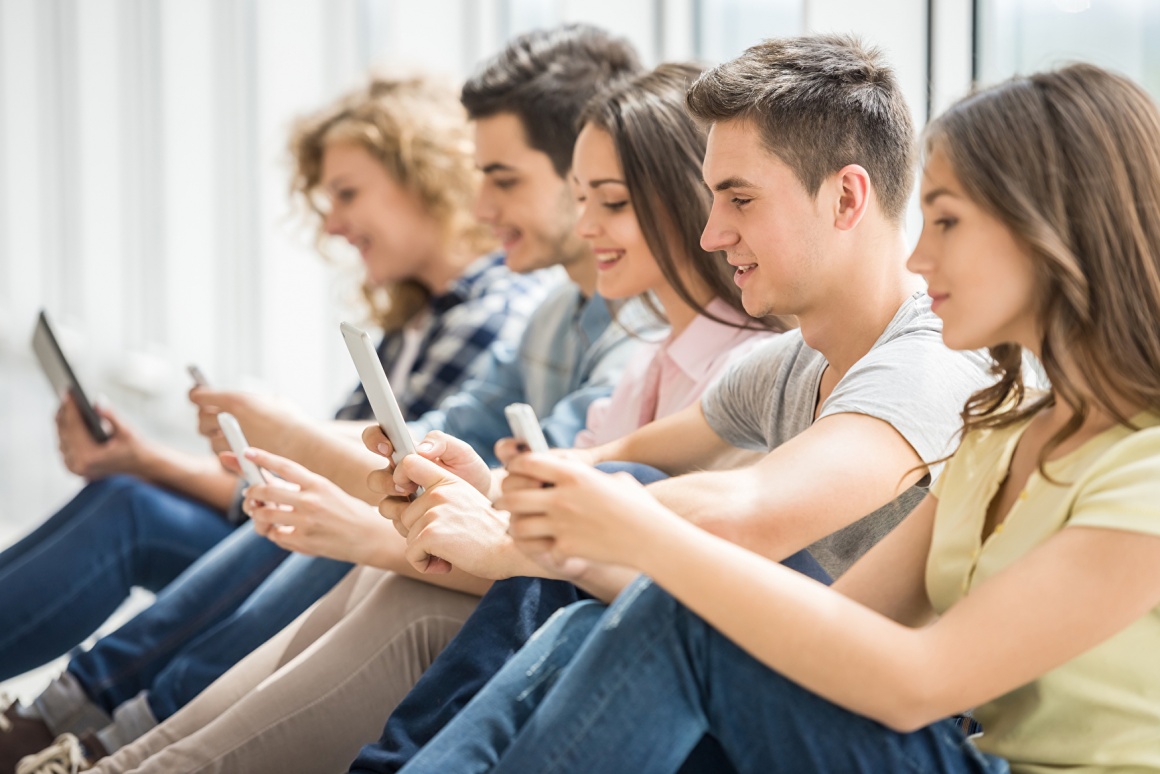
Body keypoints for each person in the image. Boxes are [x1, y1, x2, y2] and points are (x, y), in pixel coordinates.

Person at [400, 61, 1160, 774]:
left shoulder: (1145, 469)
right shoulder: (1002, 432)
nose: (920, 259)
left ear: (1053, 231)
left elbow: (919, 680)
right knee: (666, 608)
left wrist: (631, 533)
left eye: (948, 223)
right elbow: (836, 622)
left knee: (679, 600)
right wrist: (541, 520)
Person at [76, 59, 791, 774]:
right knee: (342, 546)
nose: (583, 227)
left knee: (383, 571)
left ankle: (117, 747)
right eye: (580, 200)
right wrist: (466, 496)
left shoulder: (721, 370)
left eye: (607, 202)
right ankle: (123, 749)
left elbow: (609, 561)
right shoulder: (633, 353)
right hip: (555, 605)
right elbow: (560, 518)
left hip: (609, 646)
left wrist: (375, 523)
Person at [7, 23, 647, 773]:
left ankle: (97, 736)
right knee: (225, 507)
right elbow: (433, 445)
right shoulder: (529, 316)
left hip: (515, 581)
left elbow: (517, 495)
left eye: (500, 179)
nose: (480, 203)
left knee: (335, 526)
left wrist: (286, 436)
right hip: (468, 557)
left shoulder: (532, 315)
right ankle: (98, 737)